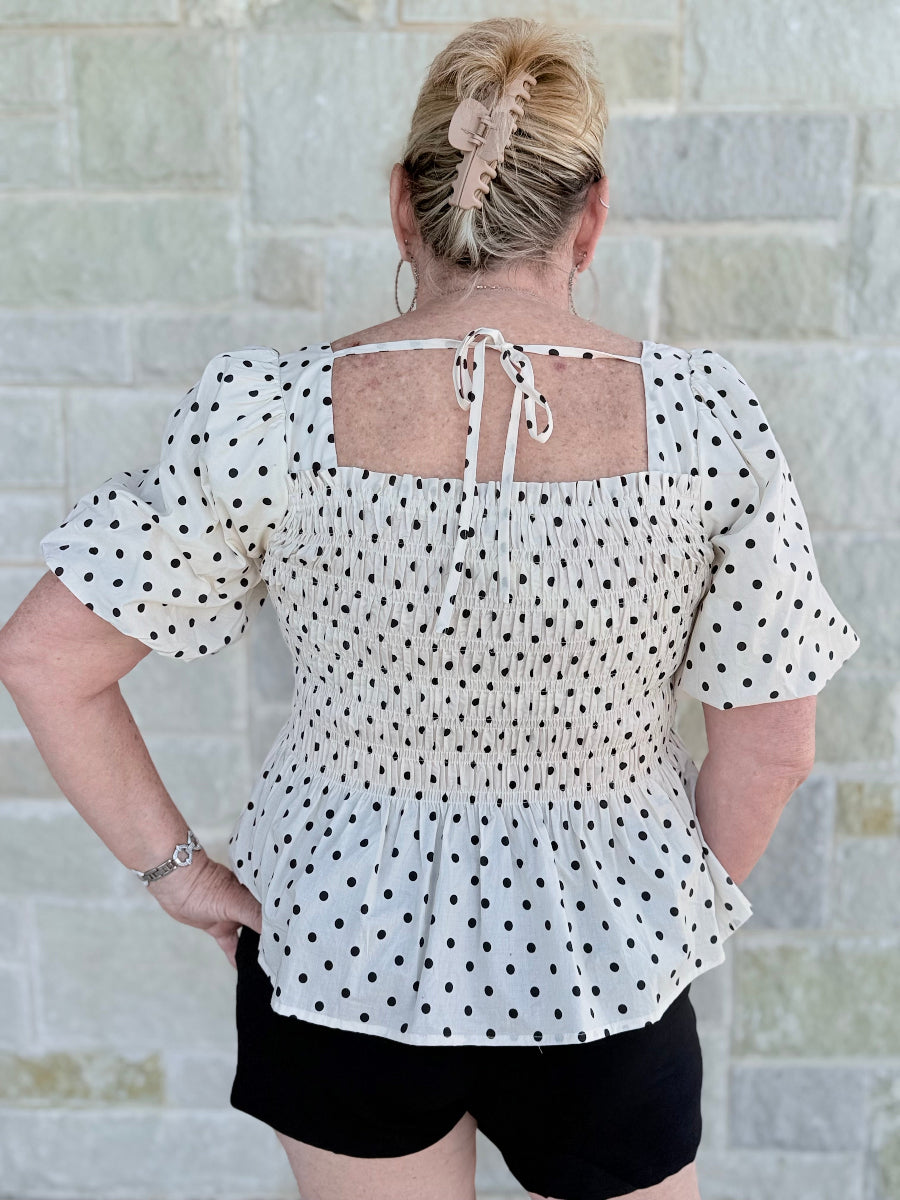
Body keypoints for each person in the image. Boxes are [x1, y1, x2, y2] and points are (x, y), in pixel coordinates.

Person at [0, 16, 860, 1200]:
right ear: (591, 216)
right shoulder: (707, 422)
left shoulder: (271, 412)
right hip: (601, 965)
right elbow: (774, 740)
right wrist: (666, 914)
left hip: (332, 951)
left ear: (405, 205)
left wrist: (181, 874)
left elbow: (46, 658)